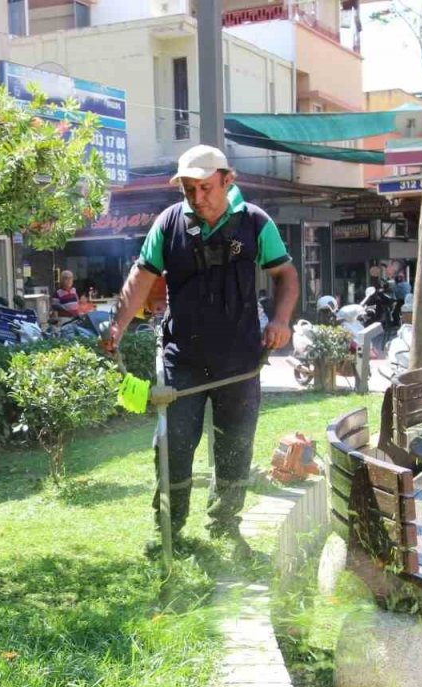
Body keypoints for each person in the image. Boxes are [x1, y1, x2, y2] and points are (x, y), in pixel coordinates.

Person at [108, 145, 298, 561]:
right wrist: (117, 324)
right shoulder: (169, 223)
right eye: (189, 190)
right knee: (172, 445)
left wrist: (281, 320)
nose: (197, 198)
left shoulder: (255, 223)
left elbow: (285, 275)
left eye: (206, 188)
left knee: (235, 446)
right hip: (183, 359)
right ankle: (168, 530)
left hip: (239, 360)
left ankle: (224, 524)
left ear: (228, 181)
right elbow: (142, 274)